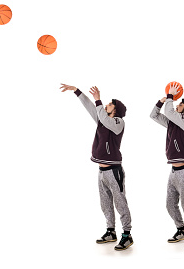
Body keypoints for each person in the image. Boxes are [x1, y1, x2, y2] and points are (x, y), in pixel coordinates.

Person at [60, 83, 133, 251]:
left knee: (120, 203)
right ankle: (111, 231)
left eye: (109, 104)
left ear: (115, 110)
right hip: (101, 171)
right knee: (105, 203)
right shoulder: (102, 119)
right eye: (105, 103)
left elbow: (103, 114)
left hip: (114, 171)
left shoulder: (118, 122)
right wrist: (77, 91)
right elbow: (91, 108)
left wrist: (99, 100)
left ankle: (127, 234)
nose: (105, 105)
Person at [150, 84, 184, 250]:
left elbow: (169, 111)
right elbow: (153, 115)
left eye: (180, 103)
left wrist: (169, 96)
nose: (176, 104)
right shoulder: (173, 122)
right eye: (176, 102)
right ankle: (181, 230)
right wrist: (162, 100)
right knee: (170, 204)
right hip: (173, 171)